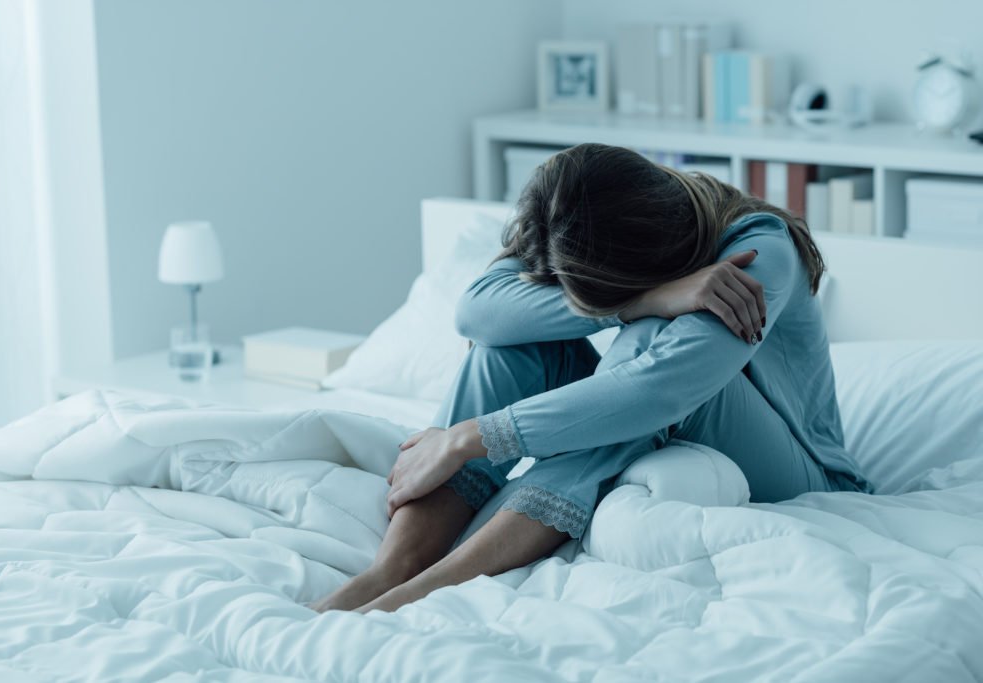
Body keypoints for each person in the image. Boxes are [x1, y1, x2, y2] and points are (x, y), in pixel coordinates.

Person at [311, 143, 869, 614]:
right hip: (662, 371)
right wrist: (642, 300)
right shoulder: (579, 213)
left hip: (803, 474)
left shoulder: (758, 249)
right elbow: (477, 312)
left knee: (645, 355)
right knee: (509, 349)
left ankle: (423, 592)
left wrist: (467, 438)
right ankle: (390, 571)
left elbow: (659, 388)